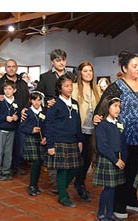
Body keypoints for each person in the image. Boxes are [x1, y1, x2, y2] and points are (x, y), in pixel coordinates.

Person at [94, 51, 138, 219]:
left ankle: (131, 200)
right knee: (122, 171)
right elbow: (103, 106)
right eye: (134, 66)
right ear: (124, 68)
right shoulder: (116, 86)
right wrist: (97, 116)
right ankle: (118, 205)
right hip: (121, 135)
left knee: (135, 169)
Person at [45, 73, 83, 208]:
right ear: (60, 88)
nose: (70, 88)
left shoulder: (74, 103)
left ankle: (61, 187)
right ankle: (63, 196)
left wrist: (80, 140)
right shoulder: (54, 104)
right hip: (59, 141)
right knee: (62, 170)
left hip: (73, 140)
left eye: (70, 85)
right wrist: (50, 145)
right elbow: (49, 124)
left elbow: (78, 122)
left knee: (75, 168)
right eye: (66, 86)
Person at [0, 59, 29, 176]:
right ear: (5, 68)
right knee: (0, 149)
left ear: (16, 68)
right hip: (4, 122)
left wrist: (25, 109)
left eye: (13, 66)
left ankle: (14, 167)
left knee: (17, 146)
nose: (11, 68)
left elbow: (27, 100)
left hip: (20, 119)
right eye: (9, 66)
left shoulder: (23, 83)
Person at [36, 49, 69, 192]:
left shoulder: (71, 76)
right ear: (52, 62)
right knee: (52, 148)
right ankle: (55, 181)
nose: (61, 62)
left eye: (63, 60)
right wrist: (45, 102)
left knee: (66, 149)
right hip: (51, 117)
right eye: (57, 60)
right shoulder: (45, 77)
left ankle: (64, 180)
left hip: (67, 118)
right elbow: (37, 96)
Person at [94, 95, 127, 221]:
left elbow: (123, 143)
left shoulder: (119, 124)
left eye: (119, 106)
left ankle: (110, 213)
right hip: (109, 159)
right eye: (115, 106)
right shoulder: (102, 125)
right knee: (108, 188)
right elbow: (102, 146)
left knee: (113, 188)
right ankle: (101, 213)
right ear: (107, 107)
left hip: (118, 159)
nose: (118, 109)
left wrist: (123, 158)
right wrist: (115, 160)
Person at [71, 61, 101, 202]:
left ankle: (80, 182)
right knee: (79, 158)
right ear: (80, 73)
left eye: (90, 71)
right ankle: (76, 182)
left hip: (93, 129)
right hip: (79, 128)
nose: (88, 73)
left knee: (88, 158)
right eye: (85, 71)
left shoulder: (97, 89)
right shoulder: (75, 88)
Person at [0, 80, 20, 181]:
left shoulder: (16, 102)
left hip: (11, 130)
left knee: (8, 152)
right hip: (0, 129)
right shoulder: (0, 101)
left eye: (10, 89)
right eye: (5, 89)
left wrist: (17, 117)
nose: (7, 91)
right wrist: (4, 118)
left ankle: (6, 171)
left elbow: (19, 114)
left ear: (14, 90)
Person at [20, 91, 47, 196]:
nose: (37, 102)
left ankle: (35, 184)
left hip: (41, 139)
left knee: (40, 161)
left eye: (39, 100)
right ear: (31, 100)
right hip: (31, 138)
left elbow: (46, 125)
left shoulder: (44, 112)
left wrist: (45, 136)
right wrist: (31, 129)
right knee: (36, 161)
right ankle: (32, 185)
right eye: (34, 100)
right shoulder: (27, 112)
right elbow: (22, 127)